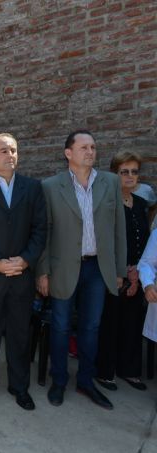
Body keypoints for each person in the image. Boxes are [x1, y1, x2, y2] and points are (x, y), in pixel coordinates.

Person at [37, 130, 126, 410]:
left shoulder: (110, 182)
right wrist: (42, 272)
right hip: (63, 268)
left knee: (91, 327)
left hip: (98, 269)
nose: (90, 152)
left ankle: (86, 381)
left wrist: (119, 269)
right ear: (68, 153)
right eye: (84, 147)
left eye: (93, 147)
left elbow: (118, 229)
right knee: (61, 326)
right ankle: (59, 381)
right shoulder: (51, 186)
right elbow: (45, 232)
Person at [0, 133, 47, 410]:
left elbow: (40, 230)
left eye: (14, 150)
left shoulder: (32, 188)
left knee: (19, 335)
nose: (10, 155)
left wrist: (25, 261)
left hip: (21, 277)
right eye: (4, 151)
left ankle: (19, 387)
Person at [96, 151, 149, 391]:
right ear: (115, 174)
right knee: (111, 321)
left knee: (133, 321)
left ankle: (129, 369)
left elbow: (145, 240)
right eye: (124, 172)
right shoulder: (108, 203)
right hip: (113, 273)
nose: (130, 176)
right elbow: (106, 240)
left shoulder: (141, 204)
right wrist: (122, 270)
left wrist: (138, 270)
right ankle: (105, 371)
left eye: (134, 172)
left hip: (138, 273)